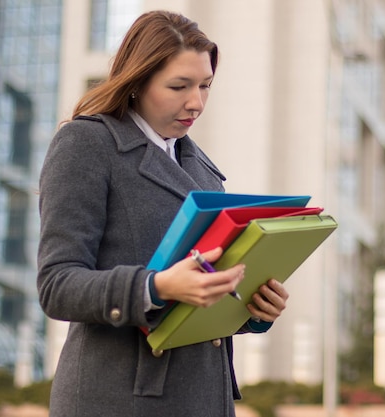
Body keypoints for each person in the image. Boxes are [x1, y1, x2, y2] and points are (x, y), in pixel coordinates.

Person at [37, 10, 289, 417]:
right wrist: (155, 287)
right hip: (117, 400)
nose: (197, 102)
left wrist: (253, 309)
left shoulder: (203, 169)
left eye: (206, 85)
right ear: (136, 81)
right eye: (179, 86)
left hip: (205, 399)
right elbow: (57, 284)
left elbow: (201, 297)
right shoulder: (86, 145)